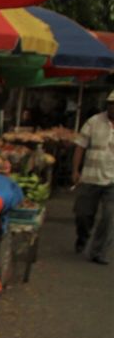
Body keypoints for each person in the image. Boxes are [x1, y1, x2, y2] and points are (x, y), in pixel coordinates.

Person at [70, 91, 114, 264]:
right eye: (111, 104)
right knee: (83, 214)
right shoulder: (94, 122)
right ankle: (83, 238)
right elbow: (80, 146)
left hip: (112, 180)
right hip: (90, 176)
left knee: (109, 217)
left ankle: (98, 252)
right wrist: (75, 170)